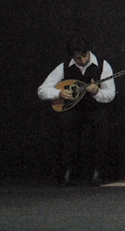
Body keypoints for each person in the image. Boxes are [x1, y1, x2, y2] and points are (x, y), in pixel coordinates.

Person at [38, 36, 116, 186]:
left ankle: (98, 171)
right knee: (65, 125)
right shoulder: (64, 66)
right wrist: (59, 93)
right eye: (78, 58)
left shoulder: (102, 65)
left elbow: (110, 94)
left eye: (84, 56)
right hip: (73, 109)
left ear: (89, 51)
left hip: (94, 108)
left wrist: (97, 92)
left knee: (101, 125)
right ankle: (65, 171)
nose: (82, 60)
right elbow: (42, 90)